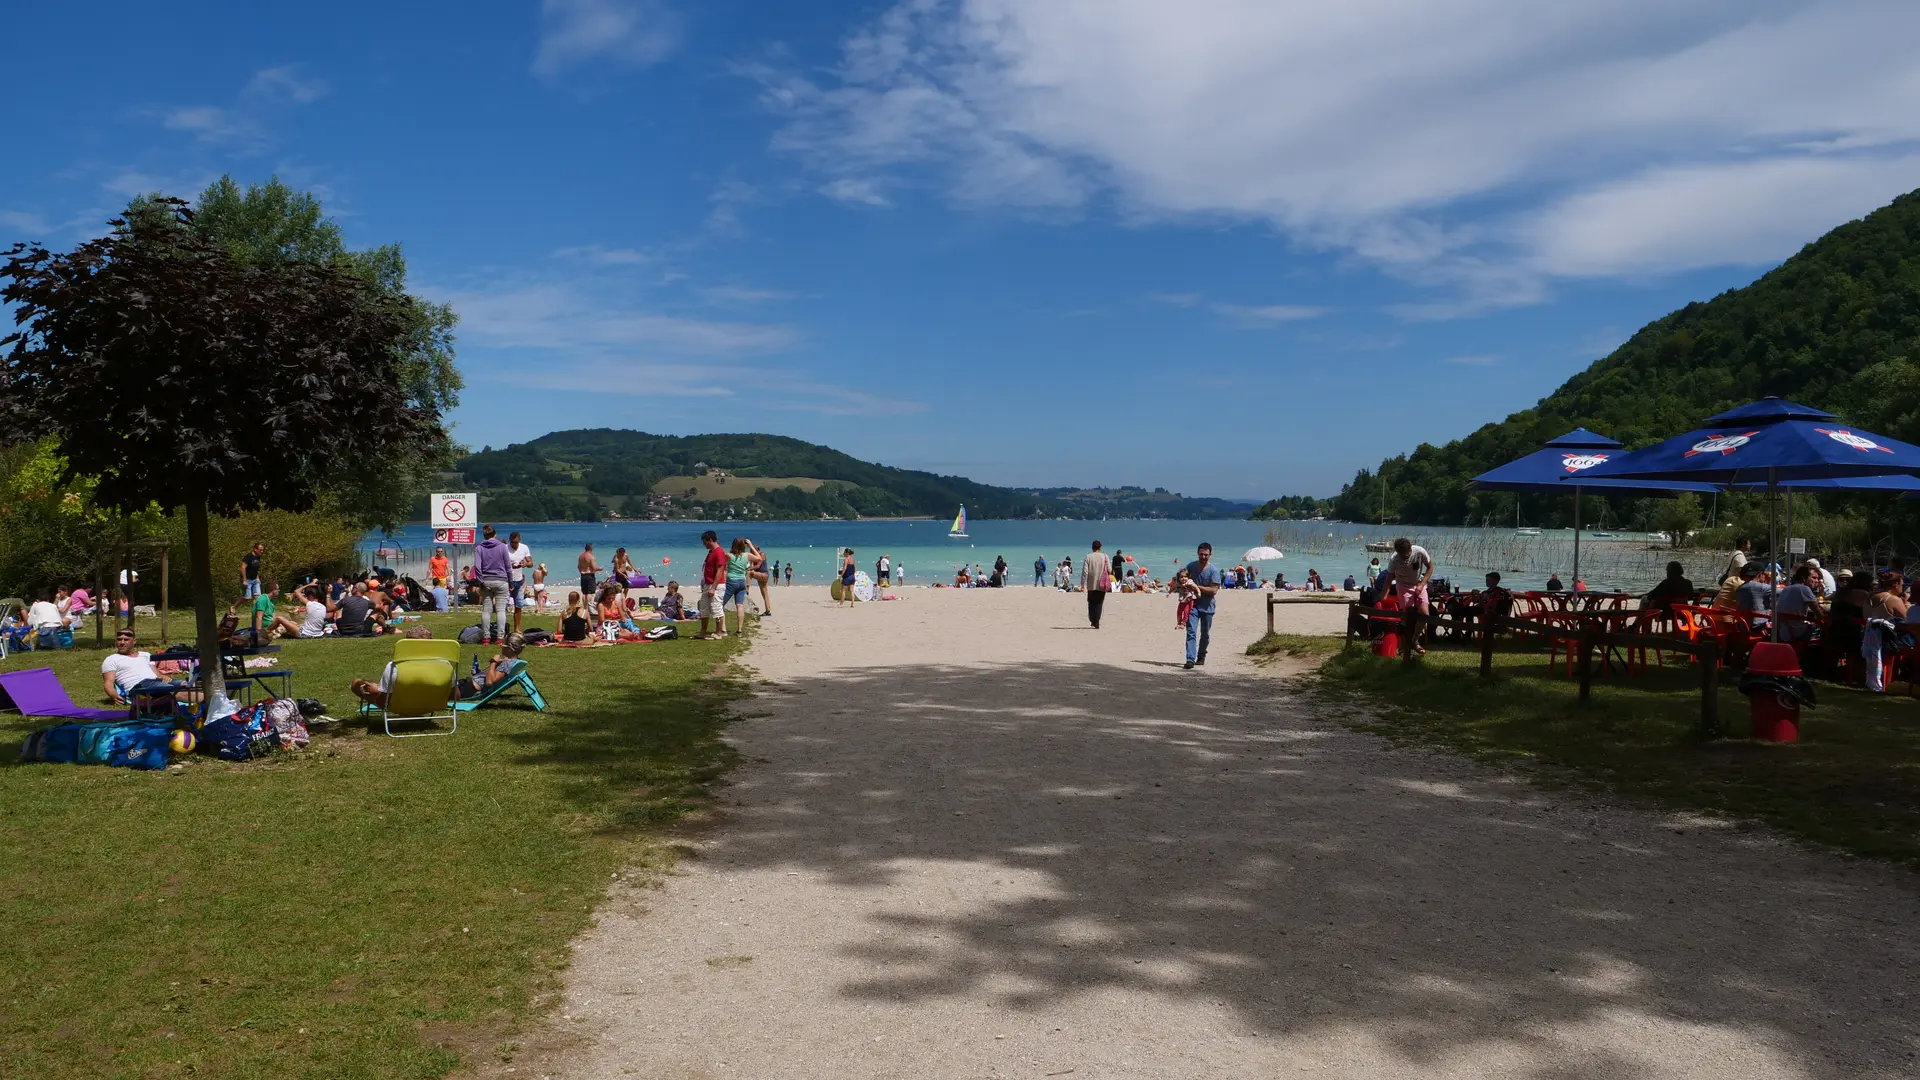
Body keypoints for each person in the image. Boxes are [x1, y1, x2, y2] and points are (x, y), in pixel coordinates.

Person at [102, 627, 202, 708]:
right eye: (119, 640)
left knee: (188, 685)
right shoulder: (111, 659)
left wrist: (162, 676)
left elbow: (156, 673)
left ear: (134, 641)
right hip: (139, 686)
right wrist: (114, 695)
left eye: (126, 640)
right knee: (176, 692)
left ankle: (212, 697)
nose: (122, 642)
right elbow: (108, 683)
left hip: (155, 682)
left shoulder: (145, 655)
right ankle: (211, 702)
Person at [1385, 538, 1434, 656]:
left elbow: (1430, 567)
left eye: (1406, 553)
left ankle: (1414, 640)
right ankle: (1403, 645)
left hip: (1419, 584)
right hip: (1403, 586)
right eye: (1401, 554)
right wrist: (1384, 594)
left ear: (1410, 547)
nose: (1404, 556)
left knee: (1424, 615)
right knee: (1407, 617)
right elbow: (1389, 578)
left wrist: (1422, 585)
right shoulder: (1394, 559)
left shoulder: (1420, 552)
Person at [1863, 572, 1910, 692]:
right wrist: (1905, 602)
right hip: (1888, 640)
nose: (1902, 588)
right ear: (1895, 585)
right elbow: (1907, 619)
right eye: (1901, 584)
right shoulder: (1893, 600)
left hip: (1868, 638)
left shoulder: (1870, 597)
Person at [1183, 542, 1223, 669]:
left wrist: (1196, 587)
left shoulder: (1213, 571)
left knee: (1205, 634)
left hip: (1207, 607)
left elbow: (1214, 591)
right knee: (1191, 632)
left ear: (1210, 554)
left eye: (1206, 555)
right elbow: (1182, 579)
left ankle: (1201, 655)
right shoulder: (1190, 566)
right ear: (1197, 554)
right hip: (1192, 605)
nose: (1203, 557)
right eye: (1201, 554)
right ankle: (1190, 659)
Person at [474, 525, 513, 645]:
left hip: (486, 580)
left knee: (486, 610)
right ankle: (500, 637)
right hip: (501, 580)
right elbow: (508, 566)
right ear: (495, 535)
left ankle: (486, 637)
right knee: (501, 610)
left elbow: (477, 566)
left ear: (484, 536)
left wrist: (481, 581)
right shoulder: (502, 547)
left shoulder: (479, 548)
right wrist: (511, 582)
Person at [1775, 566, 1824, 642]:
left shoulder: (1786, 588)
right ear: (1804, 578)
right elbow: (1819, 614)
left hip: (1782, 631)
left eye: (1817, 578)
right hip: (1797, 632)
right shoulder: (1804, 589)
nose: (1817, 581)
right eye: (1814, 578)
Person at [725, 537, 759, 635]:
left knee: (720, 605)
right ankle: (739, 630)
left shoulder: (729, 555)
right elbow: (759, 558)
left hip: (731, 582)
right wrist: (751, 545)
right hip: (741, 582)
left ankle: (722, 629)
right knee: (739, 605)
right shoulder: (747, 555)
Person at [700, 530, 729, 635]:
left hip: (716, 585)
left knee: (716, 608)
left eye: (705, 542)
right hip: (708, 583)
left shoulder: (719, 552)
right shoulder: (711, 552)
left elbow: (720, 570)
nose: (704, 545)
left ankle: (719, 632)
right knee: (703, 607)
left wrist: (713, 587)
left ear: (710, 540)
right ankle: (703, 631)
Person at [1081, 540, 1112, 629]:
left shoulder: (1088, 557)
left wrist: (1083, 584)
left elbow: (1085, 572)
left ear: (1092, 547)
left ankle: (1092, 620)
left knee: (1091, 603)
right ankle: (1096, 621)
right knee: (1099, 603)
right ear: (1100, 547)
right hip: (1102, 584)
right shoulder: (1105, 556)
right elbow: (1109, 569)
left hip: (1091, 584)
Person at [509, 531, 534, 633]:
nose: (514, 544)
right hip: (507, 581)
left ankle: (517, 628)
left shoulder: (524, 548)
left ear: (519, 540)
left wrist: (525, 564)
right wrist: (510, 566)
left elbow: (531, 563)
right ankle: (502, 629)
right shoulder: (505, 548)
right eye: (512, 542)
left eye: (516, 542)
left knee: (519, 605)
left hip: (519, 580)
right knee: (503, 606)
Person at [750, 541, 774, 617]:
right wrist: (751, 562)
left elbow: (757, 566)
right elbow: (753, 566)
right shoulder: (754, 557)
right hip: (759, 575)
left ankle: (747, 588)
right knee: (764, 593)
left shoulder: (762, 554)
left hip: (764, 574)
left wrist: (748, 569)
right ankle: (768, 610)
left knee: (749, 573)